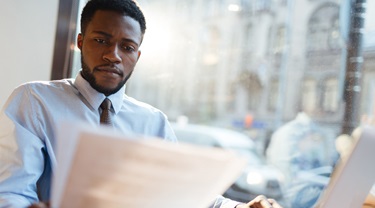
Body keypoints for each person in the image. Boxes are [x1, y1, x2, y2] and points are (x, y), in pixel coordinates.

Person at [0, 0, 282, 207]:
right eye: (101, 40)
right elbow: (10, 193)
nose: (114, 56)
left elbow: (184, 193)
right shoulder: (34, 100)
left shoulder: (153, 121)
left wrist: (241, 207)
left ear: (137, 55)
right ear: (80, 42)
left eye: (127, 47)